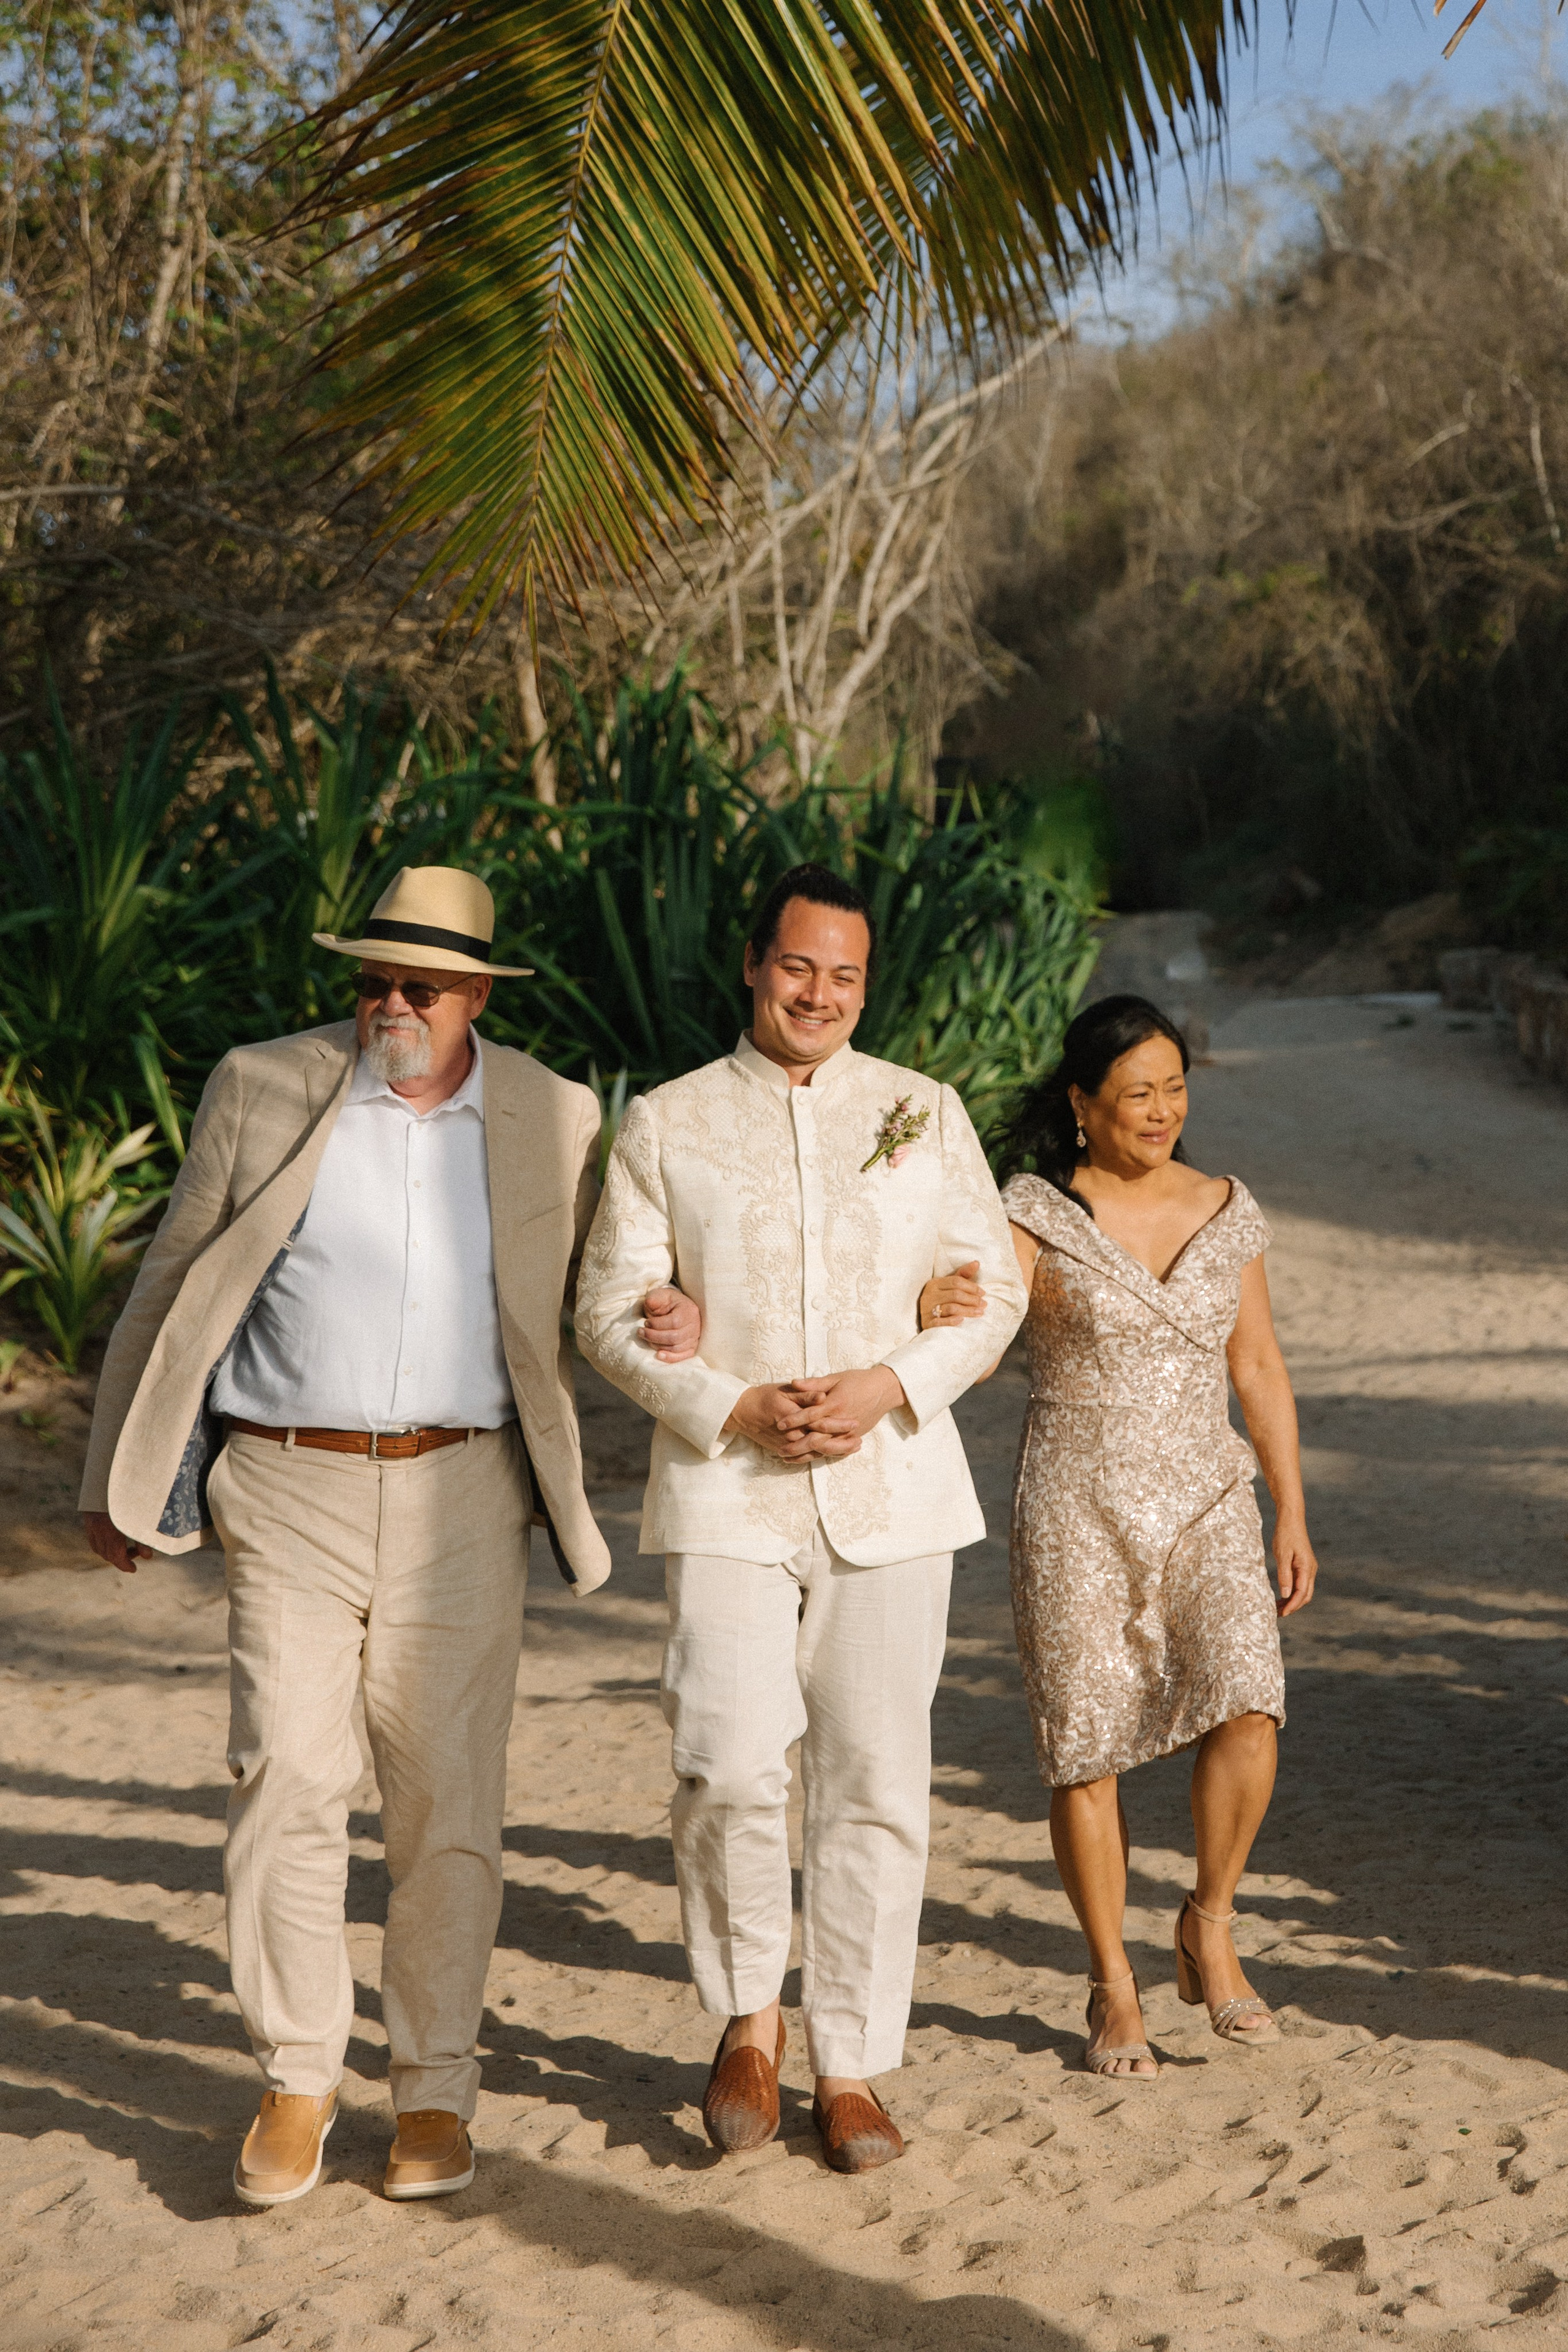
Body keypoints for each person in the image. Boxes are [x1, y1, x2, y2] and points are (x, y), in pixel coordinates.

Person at [77, 864, 697, 2207]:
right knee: (284, 1779)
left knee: (446, 1807)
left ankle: (431, 2091)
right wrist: (110, 1471)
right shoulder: (267, 1082)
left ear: (475, 993)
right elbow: (175, 1274)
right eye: (371, 979)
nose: (388, 1004)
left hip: (464, 1492)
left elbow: (606, 1284)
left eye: (418, 984)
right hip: (287, 1486)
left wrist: (675, 1315)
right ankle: (300, 2076)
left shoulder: (552, 1110)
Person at [573, 864, 1029, 2172]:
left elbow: (991, 1293)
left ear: (864, 985)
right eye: (797, 968)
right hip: (727, 1485)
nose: (818, 994)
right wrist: (728, 1404)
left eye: (843, 975)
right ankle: (744, 2022)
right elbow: (608, 1315)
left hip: (892, 1489)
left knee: (875, 1781)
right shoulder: (666, 1123)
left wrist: (895, 1381)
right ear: (752, 965)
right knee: (723, 1757)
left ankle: (851, 2063)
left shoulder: (920, 1111)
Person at [920, 993, 1317, 2080]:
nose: (1162, 1111)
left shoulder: (1228, 1206)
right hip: (1074, 1501)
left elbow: (1260, 1368)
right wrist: (929, 1300)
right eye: (1136, 1092)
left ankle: (1210, 1922)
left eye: (1175, 1088)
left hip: (1207, 1493)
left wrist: (1289, 1506)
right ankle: (1113, 1987)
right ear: (1082, 1105)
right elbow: (982, 1345)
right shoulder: (1034, 1213)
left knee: (1249, 1706)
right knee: (1086, 1745)